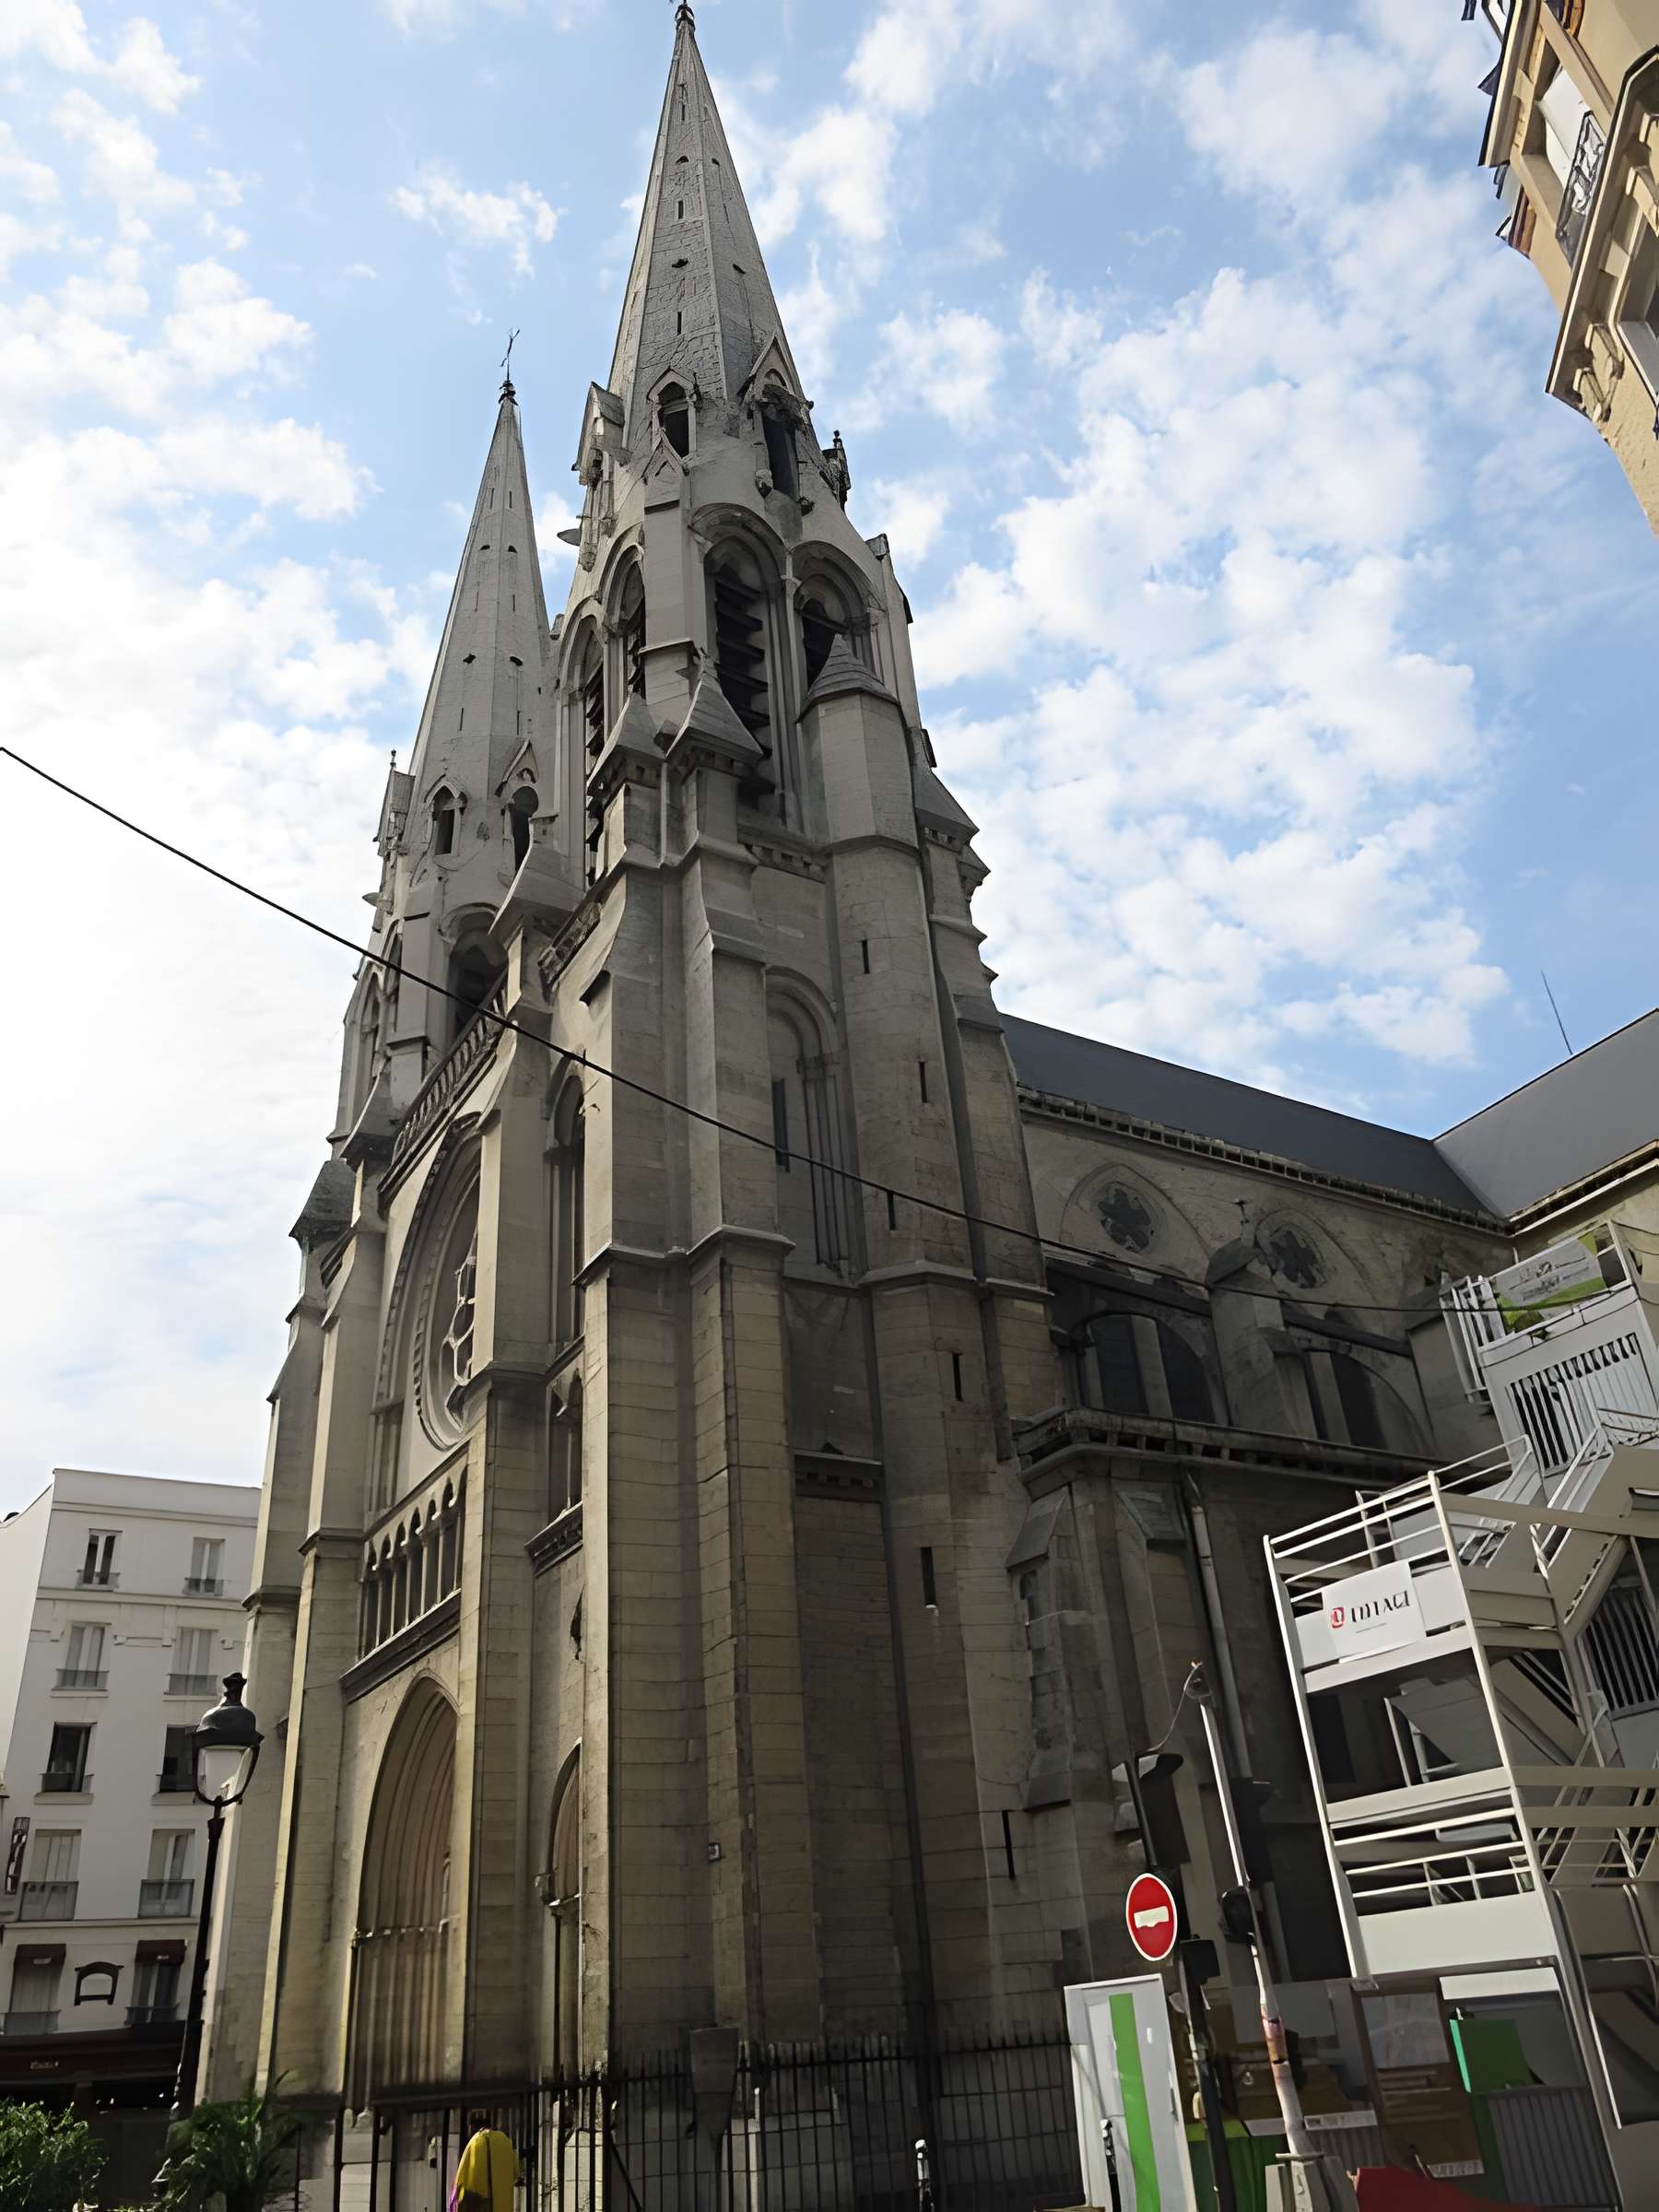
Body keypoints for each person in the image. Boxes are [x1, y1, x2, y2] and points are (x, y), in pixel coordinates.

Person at [450, 2111, 520, 2212]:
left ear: (472, 2127)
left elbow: (459, 2180)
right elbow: (516, 2174)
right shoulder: (505, 2141)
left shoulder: (474, 2142)